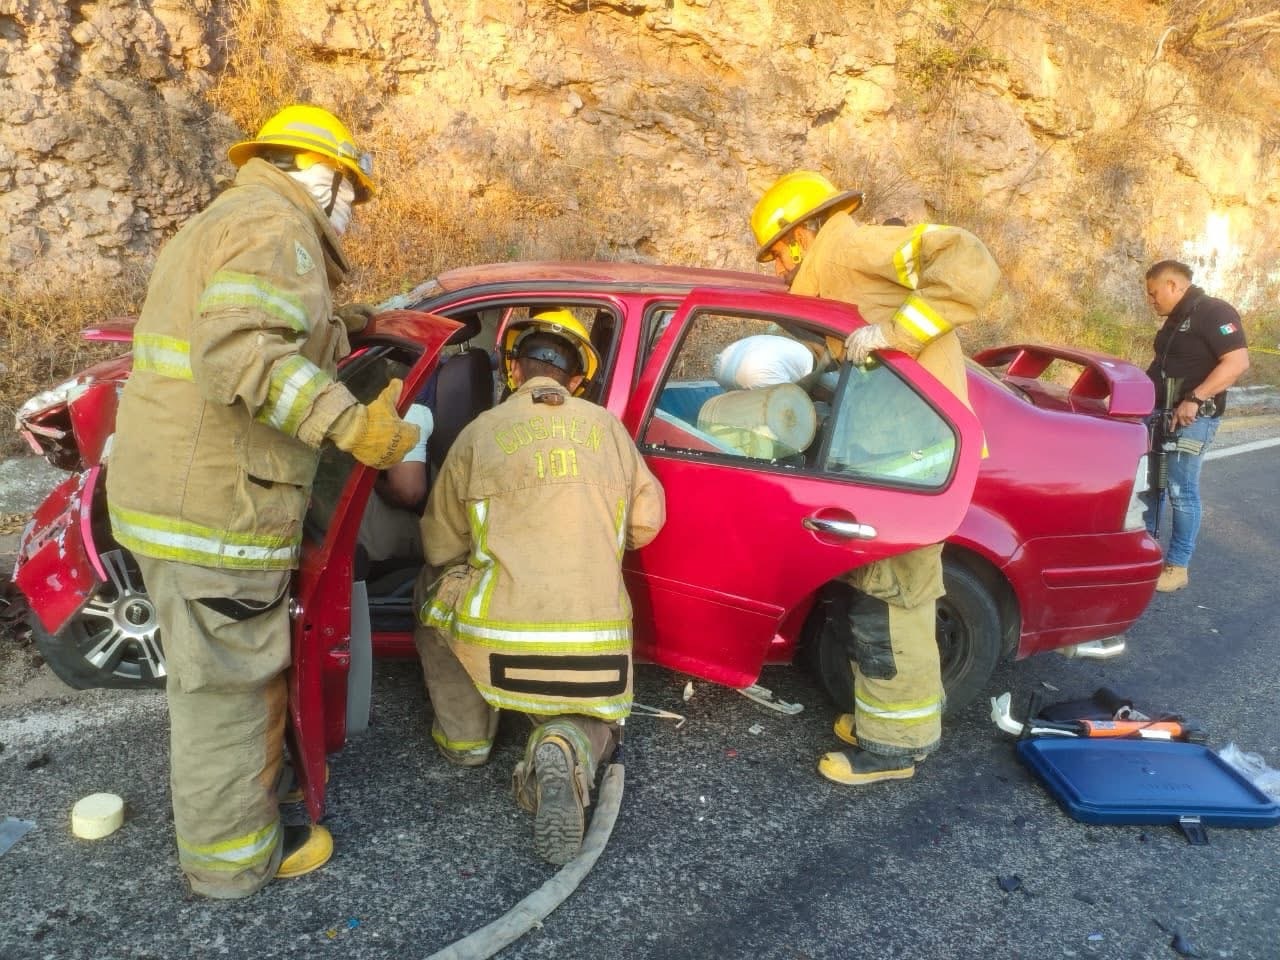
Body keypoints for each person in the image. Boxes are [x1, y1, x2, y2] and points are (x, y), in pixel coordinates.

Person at [106, 105, 420, 899]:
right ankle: (234, 867)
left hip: (179, 495)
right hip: (212, 508)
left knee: (214, 681)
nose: (352, 206)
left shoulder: (236, 216)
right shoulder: (277, 228)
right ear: (324, 173)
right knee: (227, 693)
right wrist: (351, 423)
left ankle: (237, 825)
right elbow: (238, 351)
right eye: (353, 189)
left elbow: (244, 324)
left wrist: (335, 328)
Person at [748, 170, 1000, 786]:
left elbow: (968, 261)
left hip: (909, 461)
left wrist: (894, 336)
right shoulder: (836, 272)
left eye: (777, 252)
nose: (777, 268)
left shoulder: (851, 248)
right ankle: (887, 721)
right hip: (893, 458)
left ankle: (893, 749)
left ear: (802, 234)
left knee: (892, 605)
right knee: (880, 599)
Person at [413, 308, 665, 864]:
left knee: (433, 594)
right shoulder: (609, 430)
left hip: (498, 644)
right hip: (592, 652)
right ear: (578, 379)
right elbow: (647, 525)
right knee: (597, 717)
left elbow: (439, 541)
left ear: (513, 369)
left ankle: (468, 742)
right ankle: (564, 744)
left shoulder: (480, 433)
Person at [1143, 260, 1249, 592]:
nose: (1151, 300)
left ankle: (1177, 567)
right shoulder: (1175, 322)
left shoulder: (1214, 312)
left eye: (1154, 292)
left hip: (1192, 419)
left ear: (1173, 286)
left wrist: (1196, 398)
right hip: (1161, 416)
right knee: (1151, 487)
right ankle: (1142, 558)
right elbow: (1159, 368)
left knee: (1180, 491)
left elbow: (1237, 362)